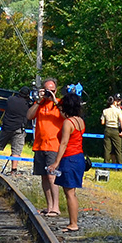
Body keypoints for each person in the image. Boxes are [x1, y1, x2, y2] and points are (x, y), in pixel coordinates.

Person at [47, 92, 88, 233]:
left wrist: (56, 162)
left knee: (69, 193)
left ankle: (73, 223)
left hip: (69, 158)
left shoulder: (67, 123)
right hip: (79, 158)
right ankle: (73, 221)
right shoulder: (79, 121)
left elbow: (63, 143)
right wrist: (55, 102)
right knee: (72, 192)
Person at [27, 78, 65, 216]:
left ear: (56, 90)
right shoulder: (40, 104)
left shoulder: (60, 103)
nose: (50, 93)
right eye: (47, 90)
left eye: (52, 91)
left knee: (52, 176)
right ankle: (49, 206)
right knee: (44, 177)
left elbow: (66, 116)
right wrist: (38, 100)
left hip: (54, 145)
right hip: (40, 145)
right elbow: (29, 116)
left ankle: (56, 207)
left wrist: (55, 100)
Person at [0, 87, 31, 174]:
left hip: (7, 126)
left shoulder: (10, 99)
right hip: (19, 128)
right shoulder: (27, 104)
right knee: (16, 150)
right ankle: (13, 170)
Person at [100, 95, 122, 164]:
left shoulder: (105, 111)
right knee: (118, 149)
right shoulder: (118, 111)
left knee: (107, 149)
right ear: (114, 102)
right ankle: (120, 165)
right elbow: (121, 121)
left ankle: (106, 165)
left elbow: (102, 122)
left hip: (107, 129)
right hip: (115, 129)